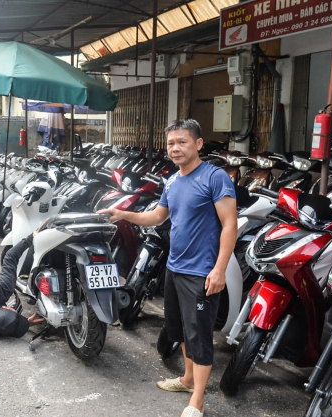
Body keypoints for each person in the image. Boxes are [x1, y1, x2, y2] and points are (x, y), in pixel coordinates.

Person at [98, 119, 237, 417]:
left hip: (202, 271)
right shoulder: (172, 181)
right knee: (183, 331)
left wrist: (219, 269)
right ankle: (187, 380)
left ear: (198, 144)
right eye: (171, 143)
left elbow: (230, 225)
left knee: (199, 336)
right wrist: (123, 213)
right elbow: (158, 217)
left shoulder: (215, 178)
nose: (175, 148)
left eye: (182, 142)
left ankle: (196, 401)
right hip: (174, 268)